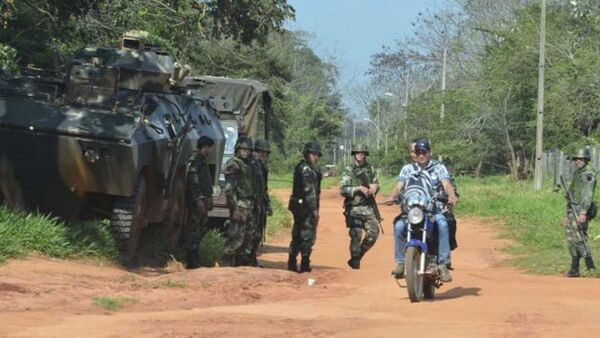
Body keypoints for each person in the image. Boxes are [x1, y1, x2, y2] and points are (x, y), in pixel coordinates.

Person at [387, 138, 457, 282]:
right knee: (399, 225)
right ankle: (401, 262)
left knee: (443, 224)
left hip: (433, 209)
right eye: (418, 152)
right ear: (414, 154)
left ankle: (443, 263)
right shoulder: (407, 169)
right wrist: (393, 196)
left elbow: (446, 183)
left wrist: (451, 195)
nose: (421, 155)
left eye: (424, 152)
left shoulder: (438, 168)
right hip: (412, 210)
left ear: (429, 153)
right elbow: (399, 185)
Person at [340, 144, 380, 269]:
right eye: (358, 153)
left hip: (368, 206)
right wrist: (358, 188)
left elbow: (377, 183)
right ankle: (355, 264)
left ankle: (358, 256)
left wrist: (375, 187)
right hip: (354, 208)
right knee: (356, 236)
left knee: (373, 234)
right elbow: (343, 190)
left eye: (362, 153)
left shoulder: (370, 169)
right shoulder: (349, 170)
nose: (360, 155)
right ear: (354, 155)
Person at [221, 136, 256, 267]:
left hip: (248, 204)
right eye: (243, 149)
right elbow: (230, 189)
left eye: (248, 150)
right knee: (236, 238)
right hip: (239, 204)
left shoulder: (248, 164)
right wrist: (234, 208)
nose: (246, 152)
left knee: (247, 237)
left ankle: (239, 266)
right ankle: (225, 264)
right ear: (238, 149)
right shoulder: (234, 164)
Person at [288, 141, 322, 273]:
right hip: (306, 208)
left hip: (299, 206)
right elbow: (310, 193)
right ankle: (304, 264)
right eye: (313, 154)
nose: (315, 157)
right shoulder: (307, 169)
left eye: (317, 154)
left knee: (297, 234)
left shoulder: (303, 167)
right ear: (307, 154)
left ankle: (292, 261)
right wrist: (314, 211)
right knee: (307, 236)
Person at [564, 147, 596, 277]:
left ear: (586, 160)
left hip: (581, 209)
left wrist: (583, 213)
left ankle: (590, 266)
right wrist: (567, 213)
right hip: (573, 208)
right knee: (571, 239)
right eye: (576, 159)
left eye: (580, 159)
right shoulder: (576, 174)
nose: (577, 161)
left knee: (579, 238)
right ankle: (574, 268)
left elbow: (588, 195)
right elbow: (571, 193)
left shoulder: (588, 174)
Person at [183, 136, 214, 269]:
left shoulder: (202, 161)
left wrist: (209, 197)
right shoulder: (194, 160)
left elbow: (205, 182)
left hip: (203, 199)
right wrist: (199, 199)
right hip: (196, 201)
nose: (210, 151)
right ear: (204, 147)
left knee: (202, 227)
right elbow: (193, 182)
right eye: (209, 148)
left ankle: (195, 256)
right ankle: (191, 259)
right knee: (194, 228)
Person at [249, 139, 272, 267]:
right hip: (253, 203)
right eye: (262, 153)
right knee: (252, 233)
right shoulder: (253, 165)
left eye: (266, 153)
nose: (264, 156)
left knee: (257, 232)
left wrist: (267, 204)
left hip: (260, 203)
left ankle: (251, 259)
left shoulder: (261, 166)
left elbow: (264, 188)